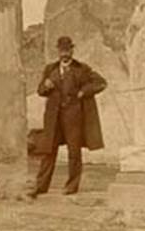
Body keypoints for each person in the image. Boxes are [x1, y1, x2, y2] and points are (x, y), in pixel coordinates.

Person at [30, 36, 106, 198]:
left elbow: (101, 83)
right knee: (48, 151)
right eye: (62, 50)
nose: (64, 54)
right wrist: (46, 86)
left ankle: (71, 186)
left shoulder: (82, 69)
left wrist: (83, 91)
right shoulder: (50, 69)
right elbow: (40, 91)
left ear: (72, 50)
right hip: (54, 117)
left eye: (67, 50)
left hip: (74, 116)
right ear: (58, 51)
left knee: (74, 152)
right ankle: (41, 186)